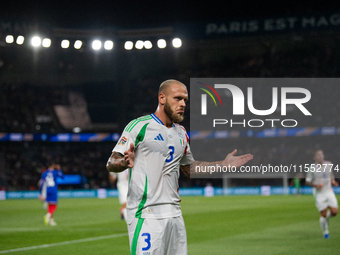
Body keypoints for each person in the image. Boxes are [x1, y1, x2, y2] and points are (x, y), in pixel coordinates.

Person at [106, 79, 253, 255]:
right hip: (146, 215)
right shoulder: (139, 126)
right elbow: (111, 162)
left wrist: (222, 164)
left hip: (175, 215)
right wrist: (123, 163)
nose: (183, 104)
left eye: (185, 100)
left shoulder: (181, 133)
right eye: (177, 98)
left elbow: (189, 169)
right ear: (162, 98)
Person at [305, 150, 339, 239]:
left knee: (335, 212)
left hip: (329, 191)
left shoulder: (328, 164)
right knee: (323, 214)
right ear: (314, 158)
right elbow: (307, 182)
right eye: (318, 155)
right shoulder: (312, 168)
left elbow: (331, 174)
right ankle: (325, 232)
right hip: (319, 194)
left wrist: (333, 181)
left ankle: (325, 219)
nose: (320, 156)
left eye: (322, 155)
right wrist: (316, 185)